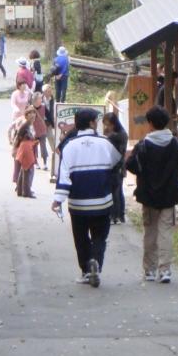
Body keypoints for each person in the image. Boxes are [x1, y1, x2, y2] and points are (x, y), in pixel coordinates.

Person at [52, 108, 120, 288]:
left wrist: (58, 199)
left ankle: (86, 270)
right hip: (102, 201)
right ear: (91, 123)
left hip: (78, 203)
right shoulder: (105, 143)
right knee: (99, 236)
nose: (97, 123)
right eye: (96, 120)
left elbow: (64, 176)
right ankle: (95, 260)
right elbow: (116, 161)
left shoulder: (69, 146)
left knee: (81, 238)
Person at [126, 106, 178, 283]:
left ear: (150, 123)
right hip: (169, 195)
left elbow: (130, 165)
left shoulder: (143, 145)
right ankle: (165, 270)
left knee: (150, 232)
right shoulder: (176, 143)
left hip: (148, 195)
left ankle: (149, 270)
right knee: (166, 233)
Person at [101, 110, 129, 225]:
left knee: (115, 191)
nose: (107, 127)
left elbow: (118, 151)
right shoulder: (119, 133)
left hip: (116, 165)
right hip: (117, 165)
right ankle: (120, 215)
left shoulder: (118, 135)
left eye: (108, 124)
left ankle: (115, 216)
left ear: (113, 123)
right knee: (117, 190)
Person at [13, 122, 38, 197]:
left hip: (24, 147)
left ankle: (20, 190)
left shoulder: (26, 125)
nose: (33, 117)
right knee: (27, 170)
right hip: (26, 148)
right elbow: (26, 137)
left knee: (23, 170)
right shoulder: (26, 126)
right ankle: (26, 192)